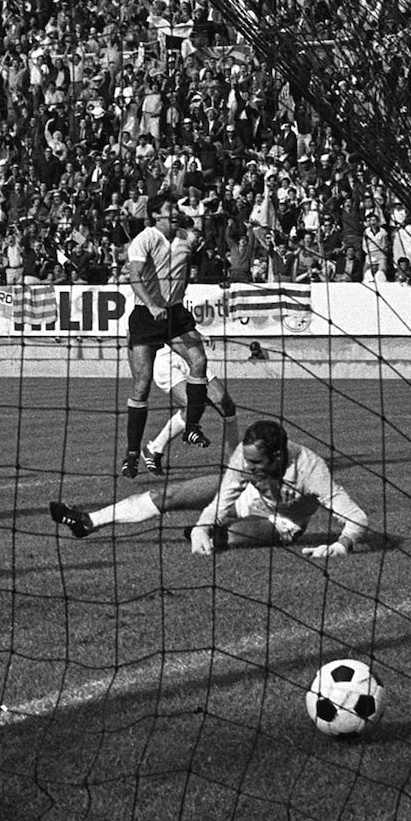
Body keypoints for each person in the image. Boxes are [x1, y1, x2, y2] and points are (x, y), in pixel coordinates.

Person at [49, 351, 241, 540]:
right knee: (169, 495)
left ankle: (155, 449)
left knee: (212, 406)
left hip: (256, 503)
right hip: (178, 355)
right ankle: (88, 521)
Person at [121, 193, 213, 479]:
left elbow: (198, 242)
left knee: (199, 360)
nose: (174, 212)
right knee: (142, 386)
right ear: (155, 215)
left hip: (174, 314)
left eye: (175, 208)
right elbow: (134, 274)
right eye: (169, 209)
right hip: (147, 315)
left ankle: (192, 428)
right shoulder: (145, 239)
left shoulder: (186, 237)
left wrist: (199, 218)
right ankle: (132, 454)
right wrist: (151, 304)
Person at [190, 420, 371, 559]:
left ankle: (217, 531)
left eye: (255, 462)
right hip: (251, 496)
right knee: (170, 495)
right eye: (246, 459)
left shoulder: (311, 470)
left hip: (285, 519)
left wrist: (341, 545)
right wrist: (201, 528)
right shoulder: (247, 453)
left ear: (277, 456)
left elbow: (358, 517)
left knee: (228, 537)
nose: (247, 466)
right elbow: (221, 502)